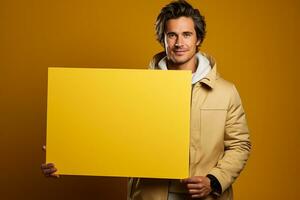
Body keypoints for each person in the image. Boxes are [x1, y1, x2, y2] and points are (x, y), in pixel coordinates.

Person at [42, 1, 251, 200]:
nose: (179, 43)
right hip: (149, 195)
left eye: (187, 34)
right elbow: (108, 133)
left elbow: (240, 145)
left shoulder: (226, 92)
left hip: (203, 196)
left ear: (198, 39)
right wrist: (63, 153)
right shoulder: (136, 89)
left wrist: (213, 181)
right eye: (172, 35)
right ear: (163, 39)